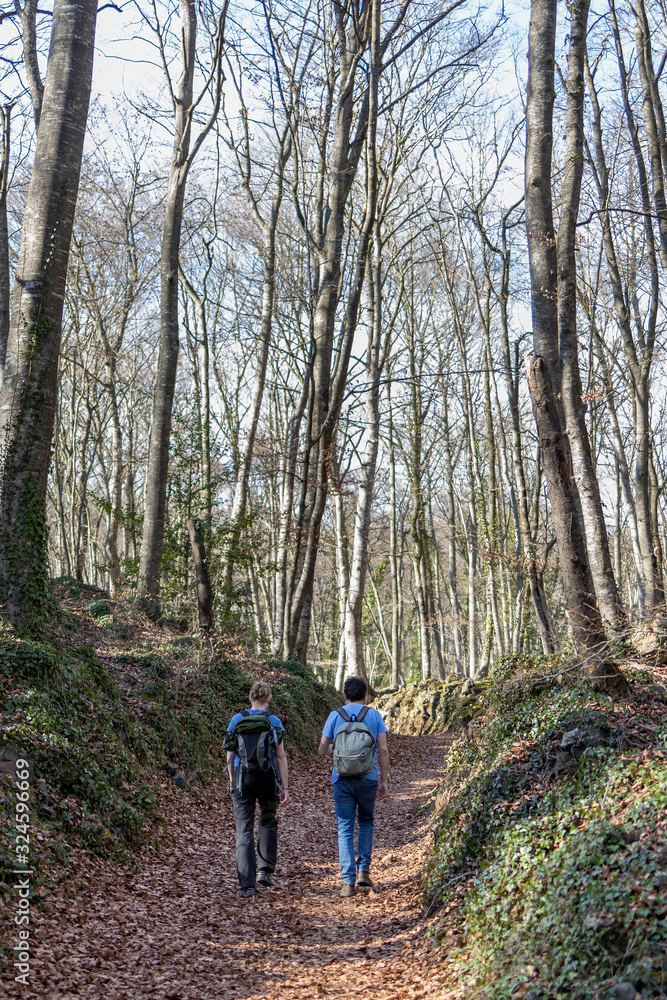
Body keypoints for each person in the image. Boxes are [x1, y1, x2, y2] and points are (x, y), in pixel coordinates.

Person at [318, 675, 389, 897]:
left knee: (345, 828)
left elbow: (322, 750)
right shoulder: (374, 715)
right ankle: (364, 872)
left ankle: (348, 883)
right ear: (365, 695)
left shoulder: (334, 716)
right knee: (366, 822)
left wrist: (336, 751)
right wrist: (384, 780)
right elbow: (383, 750)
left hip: (341, 779)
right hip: (368, 777)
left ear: (345, 694)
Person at [226, 681, 289, 898]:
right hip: (267, 779)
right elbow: (280, 755)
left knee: (244, 830)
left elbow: (230, 753)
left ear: (250, 697)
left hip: (243, 780)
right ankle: (264, 870)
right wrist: (285, 786)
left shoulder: (237, 719)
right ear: (268, 699)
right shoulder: (273, 721)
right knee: (267, 821)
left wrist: (232, 779)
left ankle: (247, 885)